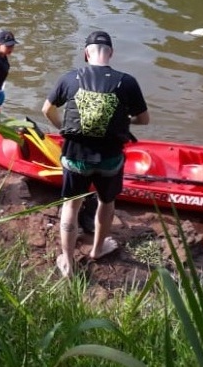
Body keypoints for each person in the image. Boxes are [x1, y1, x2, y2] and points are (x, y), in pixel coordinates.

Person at [42, 30, 150, 277]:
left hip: (75, 158)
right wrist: (123, 119)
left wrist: (64, 129)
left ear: (85, 53)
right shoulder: (127, 82)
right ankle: (97, 249)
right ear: (110, 53)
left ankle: (67, 262)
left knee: (71, 205)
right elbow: (144, 119)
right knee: (106, 202)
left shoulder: (70, 78)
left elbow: (46, 109)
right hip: (110, 160)